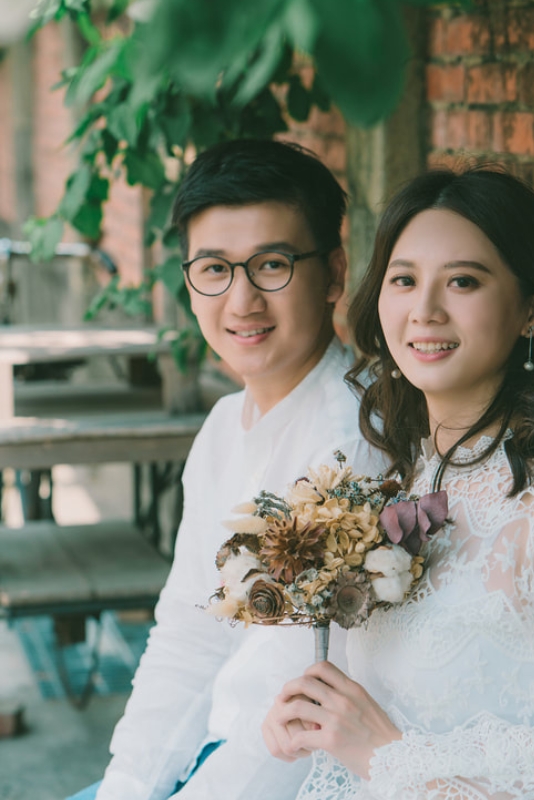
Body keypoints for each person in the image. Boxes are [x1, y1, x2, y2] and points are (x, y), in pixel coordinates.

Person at [261, 168, 534, 799]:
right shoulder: (394, 478)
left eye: (463, 281)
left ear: (533, 308)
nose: (425, 311)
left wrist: (386, 755)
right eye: (404, 280)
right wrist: (313, 719)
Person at [71, 139, 387, 800]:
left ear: (333, 273)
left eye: (272, 264)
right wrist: (125, 785)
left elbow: (295, 707)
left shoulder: (354, 447)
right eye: (214, 269)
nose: (241, 300)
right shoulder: (221, 428)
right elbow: (188, 631)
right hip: (206, 758)